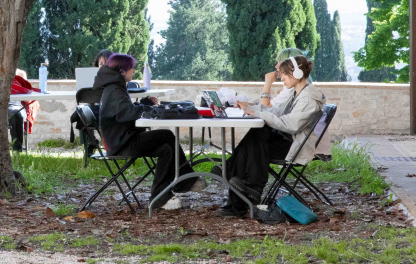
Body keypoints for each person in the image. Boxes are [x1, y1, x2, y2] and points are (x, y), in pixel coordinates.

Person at [216, 53, 325, 217]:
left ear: (296, 74)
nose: (282, 79)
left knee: (256, 138)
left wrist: (258, 114)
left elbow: (290, 125)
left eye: (284, 75)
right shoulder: (298, 92)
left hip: (295, 145)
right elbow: (275, 112)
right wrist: (253, 109)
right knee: (255, 137)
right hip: (288, 140)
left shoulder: (307, 97)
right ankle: (244, 193)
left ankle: (243, 191)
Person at [94, 53, 205, 211]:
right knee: (166, 135)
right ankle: (185, 181)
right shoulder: (114, 89)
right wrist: (145, 108)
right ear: (122, 71)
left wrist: (144, 103)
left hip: (122, 139)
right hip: (122, 143)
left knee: (166, 149)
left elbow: (124, 109)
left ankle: (160, 196)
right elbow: (127, 113)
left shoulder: (114, 86)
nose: (133, 70)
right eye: (131, 68)